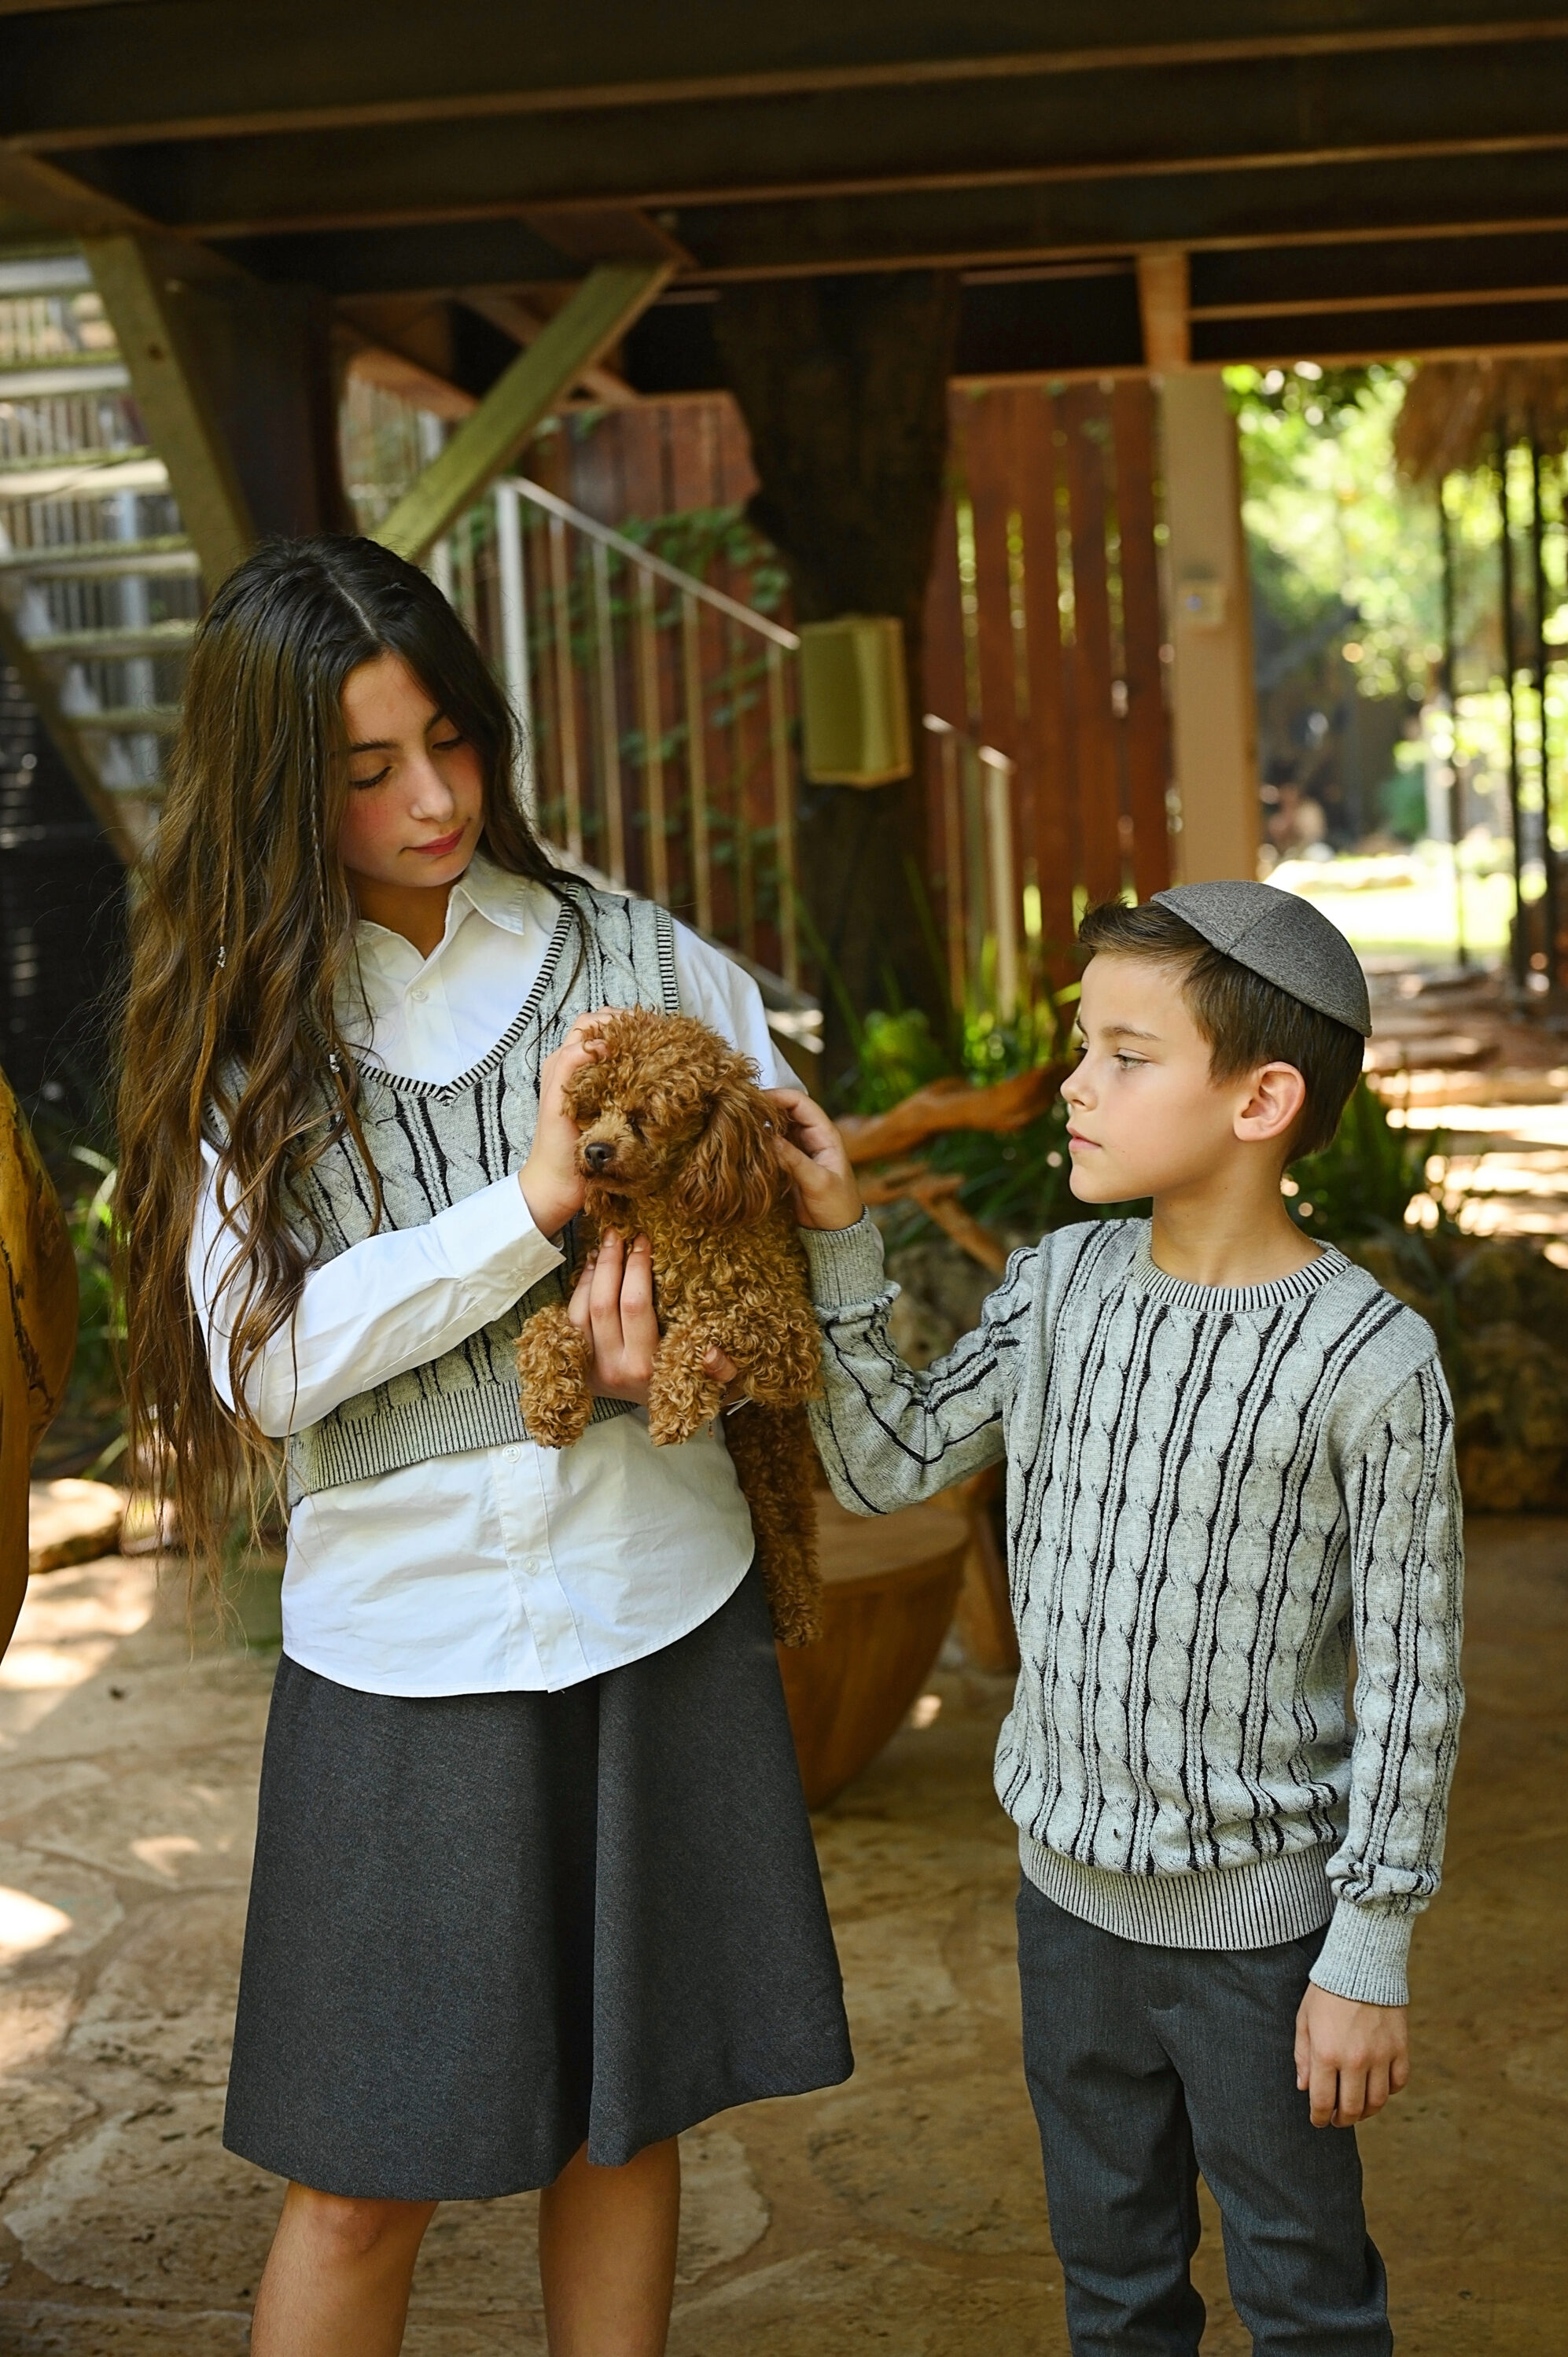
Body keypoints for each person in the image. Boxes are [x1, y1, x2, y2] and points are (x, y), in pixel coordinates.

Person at [116, 536, 851, 2357]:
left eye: (447, 740)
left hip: (653, 1598)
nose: (432, 799)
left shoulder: (643, 956)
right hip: (399, 1652)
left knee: (628, 2111)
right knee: (357, 2177)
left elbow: (768, 1260)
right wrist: (526, 1214)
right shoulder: (240, 1033)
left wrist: (689, 1330)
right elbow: (266, 1367)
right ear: (280, 784)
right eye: (365, 771)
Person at [768, 882, 1464, 2356]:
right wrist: (841, 1235)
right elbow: (886, 1455)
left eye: (1125, 1055)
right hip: (1066, 1912)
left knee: (1308, 2298)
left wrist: (1371, 1949)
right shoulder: (1062, 1289)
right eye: (1083, 1045)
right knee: (1115, 2292)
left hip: (1264, 1945)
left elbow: (1416, 1674)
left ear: (1262, 1095)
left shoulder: (1372, 1360)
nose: (1075, 1084)